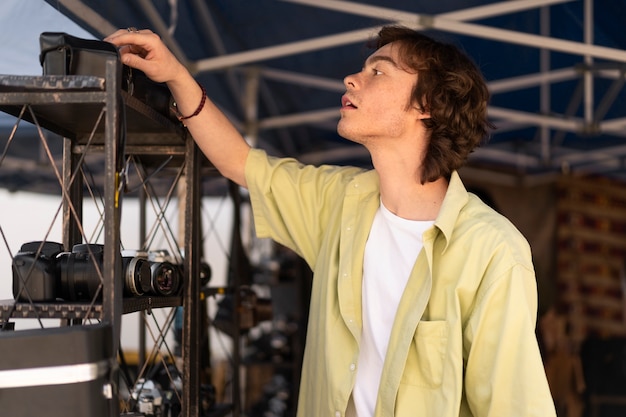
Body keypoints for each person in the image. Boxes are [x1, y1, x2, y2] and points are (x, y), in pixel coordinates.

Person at [106, 25, 557, 417]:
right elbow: (240, 163)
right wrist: (177, 77)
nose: (352, 78)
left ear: (429, 106)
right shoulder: (340, 202)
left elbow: (513, 405)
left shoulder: (492, 251)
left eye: (378, 71)